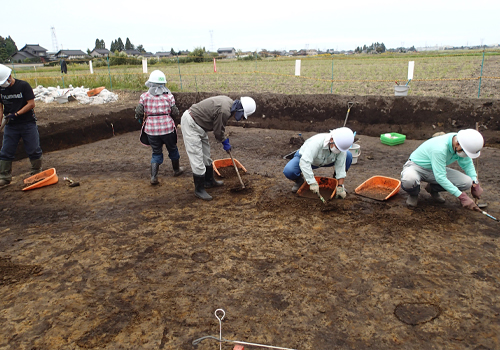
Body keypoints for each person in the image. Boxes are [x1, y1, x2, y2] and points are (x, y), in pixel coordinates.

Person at [180, 95, 256, 200]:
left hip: (200, 126)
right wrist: (225, 141)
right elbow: (218, 132)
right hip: (191, 124)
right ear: (240, 109)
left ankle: (209, 181)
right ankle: (199, 189)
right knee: (197, 156)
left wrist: (224, 140)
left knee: (206, 155)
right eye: (243, 115)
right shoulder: (224, 111)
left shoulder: (229, 103)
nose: (242, 118)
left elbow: (218, 128)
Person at [400, 129, 484, 210]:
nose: (465, 155)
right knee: (409, 179)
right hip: (416, 167)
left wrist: (475, 183)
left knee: (466, 182)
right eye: (465, 153)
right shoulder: (440, 148)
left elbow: (467, 164)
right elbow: (440, 177)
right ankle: (413, 194)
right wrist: (462, 197)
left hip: (436, 168)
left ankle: (432, 189)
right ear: (457, 144)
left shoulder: (463, 143)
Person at [135, 70, 184, 185]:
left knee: (156, 152)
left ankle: (153, 177)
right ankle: (176, 170)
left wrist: (139, 118)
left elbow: (139, 111)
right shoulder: (169, 96)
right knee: (172, 149)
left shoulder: (144, 96)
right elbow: (175, 112)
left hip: (151, 129)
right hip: (167, 128)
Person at [0, 64, 43, 187]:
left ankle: (36, 173)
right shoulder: (0, 88)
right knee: (6, 150)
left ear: (9, 77)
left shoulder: (23, 86)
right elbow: (0, 107)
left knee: (33, 149)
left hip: (27, 123)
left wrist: (16, 114)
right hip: (11, 126)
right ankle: (4, 177)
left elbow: (31, 104)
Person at [283, 127, 354, 198]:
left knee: (348, 156)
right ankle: (299, 181)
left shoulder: (341, 148)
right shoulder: (316, 142)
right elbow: (305, 162)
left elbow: (341, 166)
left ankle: (335, 182)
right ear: (332, 139)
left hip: (327, 160)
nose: (338, 150)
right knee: (289, 170)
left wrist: (340, 186)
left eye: (340, 149)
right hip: (305, 159)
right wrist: (312, 182)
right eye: (337, 147)